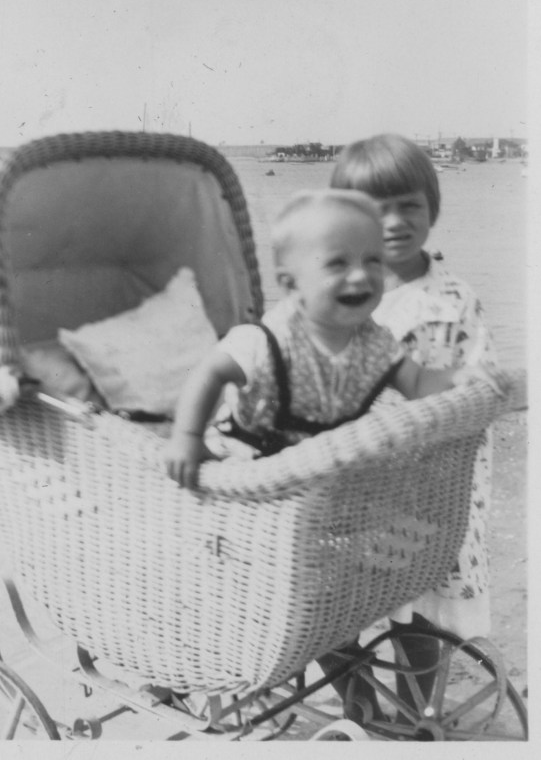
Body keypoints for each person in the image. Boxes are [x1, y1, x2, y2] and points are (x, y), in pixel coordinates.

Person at [328, 132, 501, 714]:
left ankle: (417, 714)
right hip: (354, 483)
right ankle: (361, 706)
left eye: (410, 206)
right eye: (376, 210)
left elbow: (480, 386)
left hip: (431, 485)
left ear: (432, 210)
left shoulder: (453, 300)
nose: (395, 221)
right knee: (317, 600)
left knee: (419, 613)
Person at [164, 188, 491, 491]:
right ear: (291, 285)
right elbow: (210, 372)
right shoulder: (268, 341)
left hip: (314, 478)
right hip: (245, 468)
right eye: (338, 263)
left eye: (373, 260)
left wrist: (454, 377)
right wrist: (188, 436)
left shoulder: (375, 343)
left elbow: (417, 382)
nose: (361, 275)